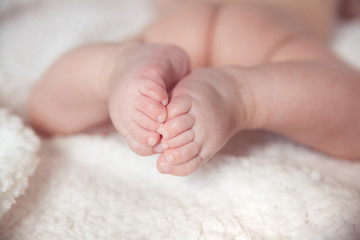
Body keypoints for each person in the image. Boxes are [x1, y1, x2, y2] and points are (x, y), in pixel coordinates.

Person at [28, 0, 360, 176]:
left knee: (48, 110)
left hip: (179, 25)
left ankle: (117, 67)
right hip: (266, 29)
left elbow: (43, 117)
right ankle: (241, 93)